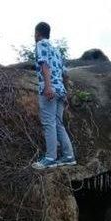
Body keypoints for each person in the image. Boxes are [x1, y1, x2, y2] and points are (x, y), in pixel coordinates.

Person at [31, 22, 77, 170]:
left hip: (49, 90)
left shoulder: (41, 45)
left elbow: (44, 65)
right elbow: (65, 74)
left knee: (49, 123)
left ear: (38, 33)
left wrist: (48, 86)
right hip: (60, 90)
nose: (34, 36)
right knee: (58, 124)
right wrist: (66, 93)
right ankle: (69, 156)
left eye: (34, 33)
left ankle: (50, 158)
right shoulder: (56, 51)